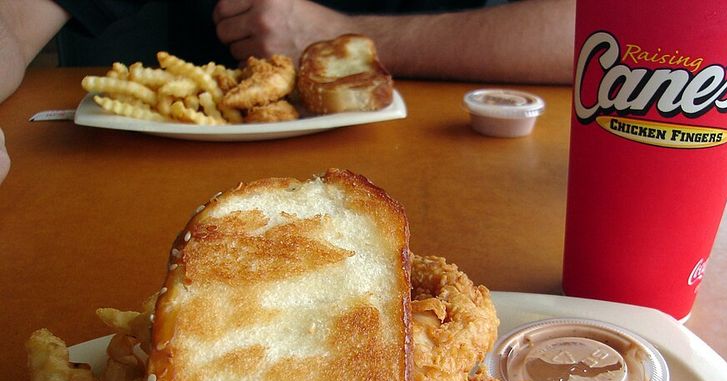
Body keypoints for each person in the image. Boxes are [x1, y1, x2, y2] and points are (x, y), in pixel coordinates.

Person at [0, 0, 576, 184]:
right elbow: (15, 20)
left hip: (464, 173)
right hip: (148, 180)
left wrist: (344, 41)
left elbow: (594, 29)